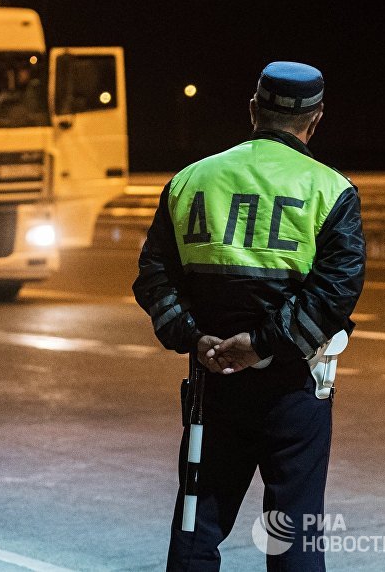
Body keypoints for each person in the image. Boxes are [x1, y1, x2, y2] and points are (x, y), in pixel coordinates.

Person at [133, 61, 365, 571]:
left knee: (197, 526)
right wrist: (261, 345)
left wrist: (196, 340)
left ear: (254, 109)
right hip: (294, 391)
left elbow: (153, 279)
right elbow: (335, 293)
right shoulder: (331, 191)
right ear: (316, 119)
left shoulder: (191, 181)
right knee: (293, 536)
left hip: (211, 389)